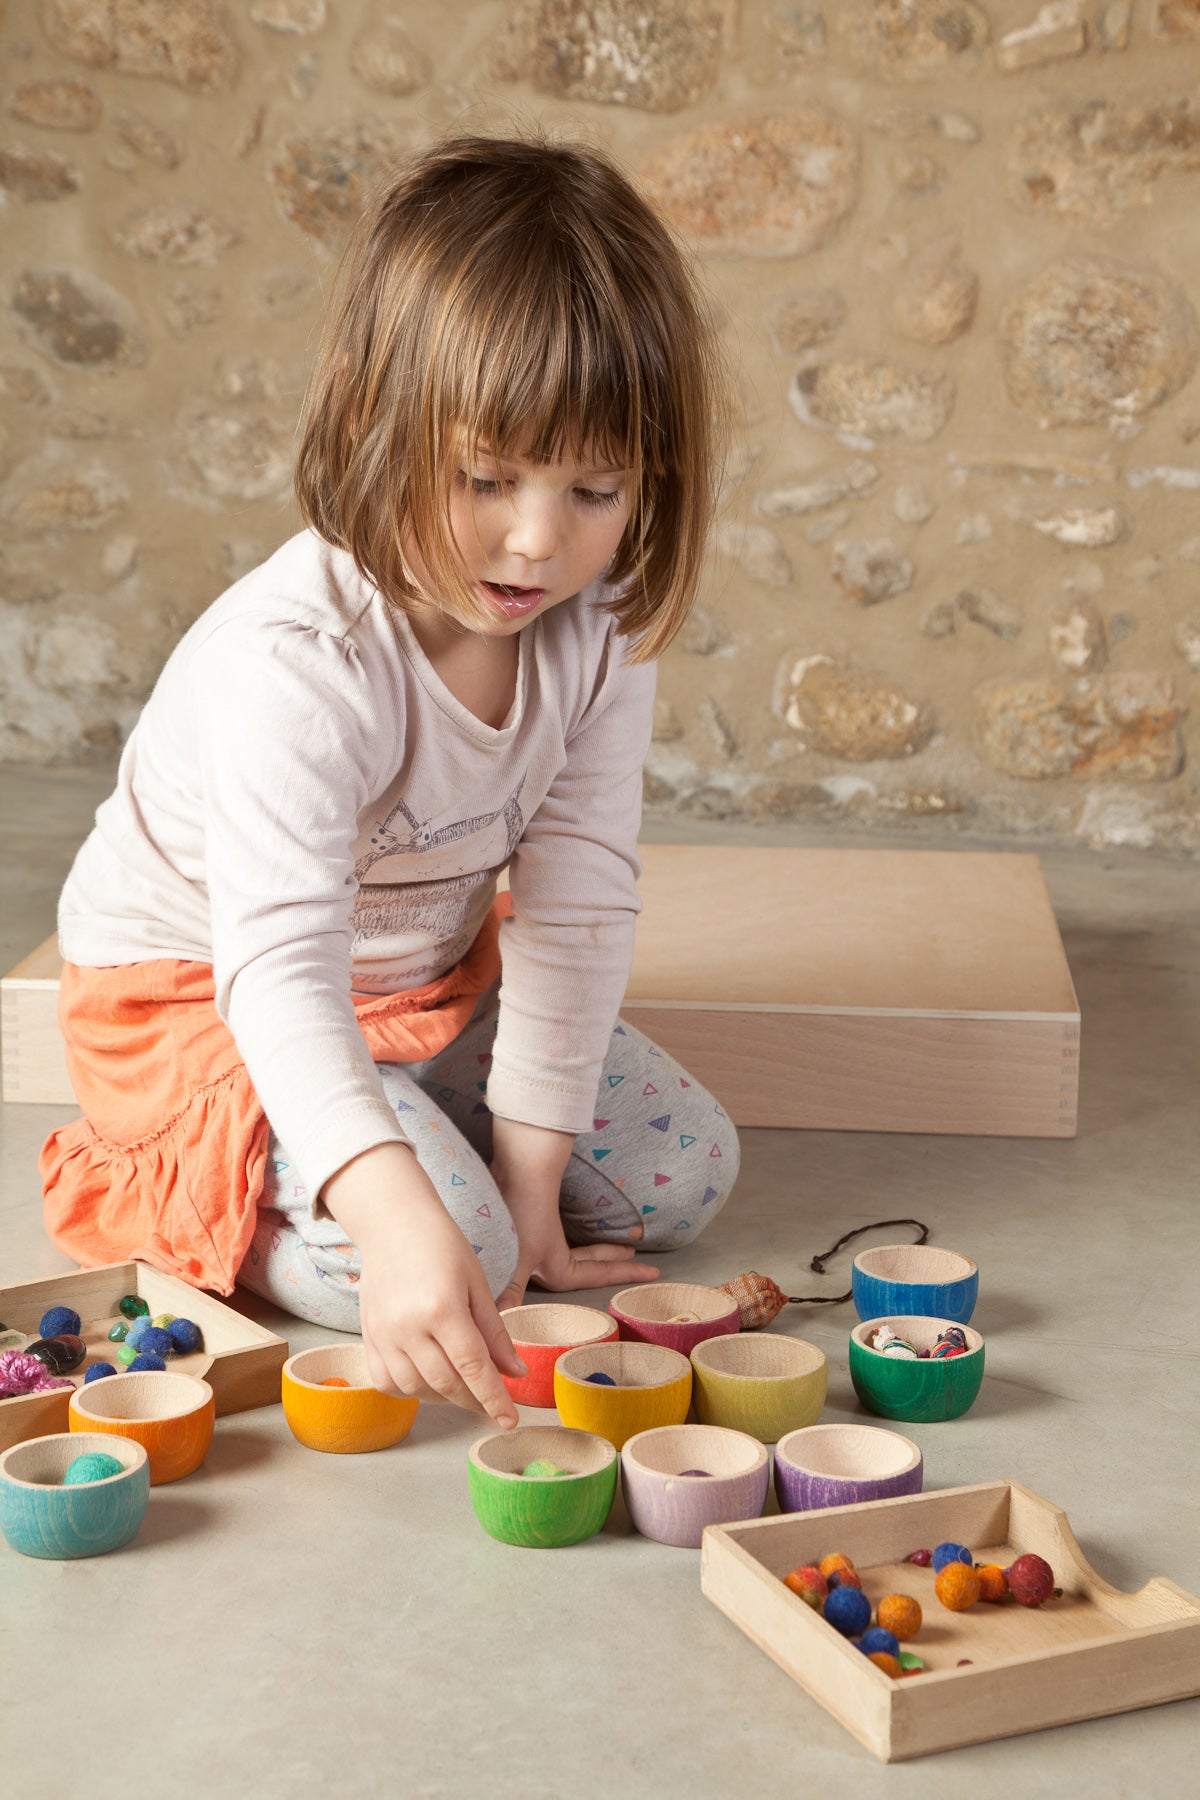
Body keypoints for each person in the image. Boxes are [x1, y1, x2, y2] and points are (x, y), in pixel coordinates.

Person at [40, 132, 739, 1432]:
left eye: (594, 488)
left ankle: (393, 1147)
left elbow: (577, 908)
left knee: (684, 1176)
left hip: (414, 986)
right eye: (488, 478)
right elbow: (279, 973)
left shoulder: (598, 619)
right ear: (381, 422)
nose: (539, 539)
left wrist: (533, 1183)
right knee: (446, 1261)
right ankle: (240, 1189)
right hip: (211, 1000)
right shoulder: (298, 662)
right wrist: (412, 1216)